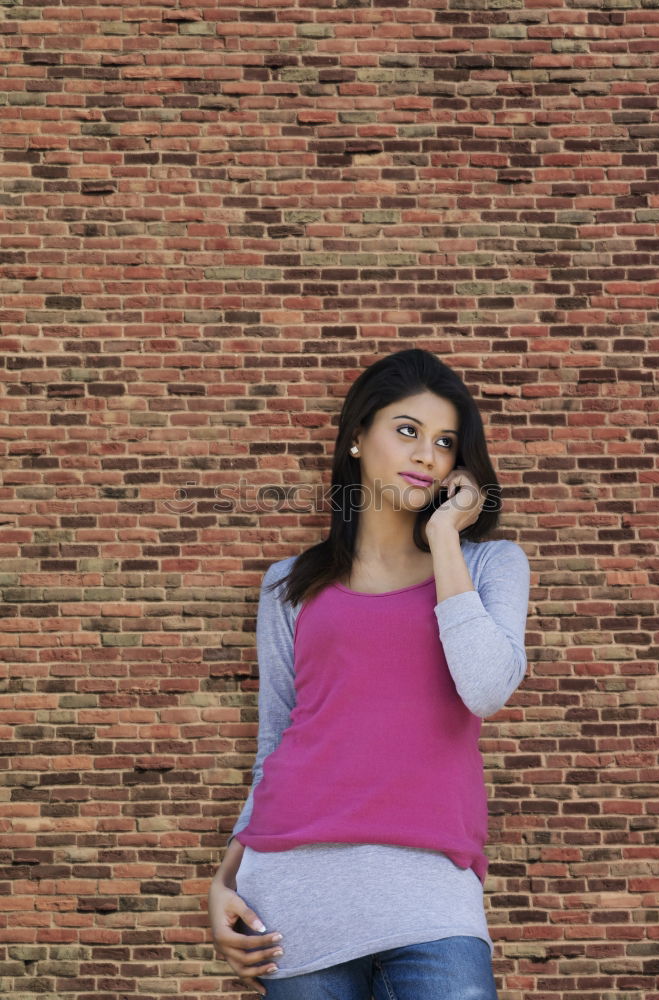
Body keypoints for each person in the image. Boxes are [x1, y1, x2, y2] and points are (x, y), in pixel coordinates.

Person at [208, 348, 531, 999]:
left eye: (444, 442)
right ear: (358, 437)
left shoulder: (491, 565)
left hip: (432, 899)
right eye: (407, 430)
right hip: (296, 901)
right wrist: (225, 879)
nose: (426, 455)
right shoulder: (287, 588)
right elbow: (276, 740)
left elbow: (486, 688)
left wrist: (445, 538)